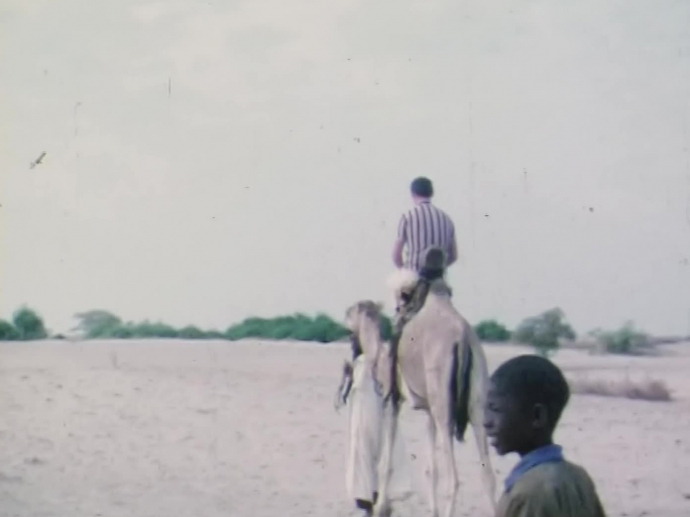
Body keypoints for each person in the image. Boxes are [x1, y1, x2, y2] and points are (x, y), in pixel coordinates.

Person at [483, 355, 608, 517]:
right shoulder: (579, 477)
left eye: (495, 409)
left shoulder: (528, 492)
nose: (486, 421)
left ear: (537, 416)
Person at [391, 176, 458, 274]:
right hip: (438, 279)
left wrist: (404, 271)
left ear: (413, 193)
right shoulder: (447, 219)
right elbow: (453, 256)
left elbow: (396, 256)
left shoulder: (407, 217)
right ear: (432, 193)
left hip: (414, 277)